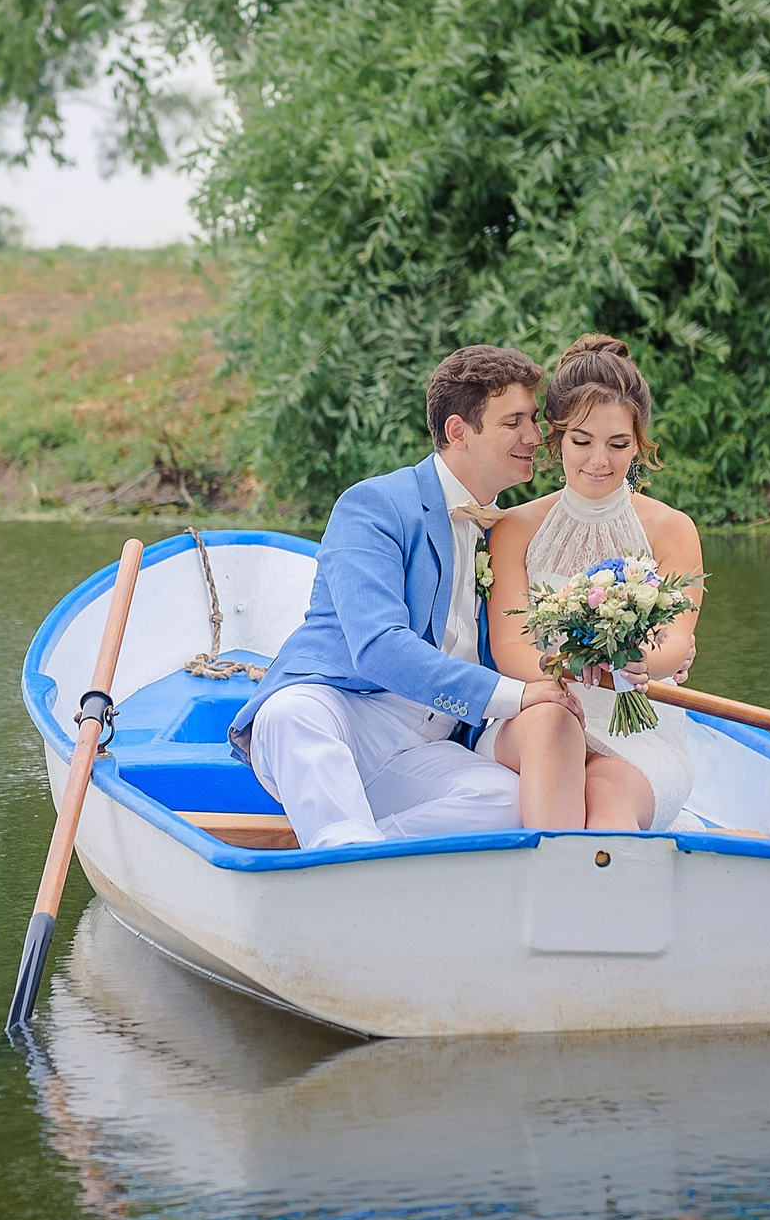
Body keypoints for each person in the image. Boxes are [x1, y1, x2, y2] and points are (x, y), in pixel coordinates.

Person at [229, 347, 587, 849]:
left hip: (431, 741)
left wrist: (633, 652)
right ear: (459, 431)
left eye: (532, 418)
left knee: (510, 802)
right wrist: (514, 697)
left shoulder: (509, 533)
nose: (534, 436)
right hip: (345, 709)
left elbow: (532, 635)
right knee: (292, 713)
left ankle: (364, 850)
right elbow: (378, 647)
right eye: (514, 422)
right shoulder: (373, 504)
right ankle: (345, 848)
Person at [481, 335, 704, 831]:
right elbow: (510, 648)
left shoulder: (672, 529)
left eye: (618, 444)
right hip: (538, 711)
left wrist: (634, 661)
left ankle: (589, 886)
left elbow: (676, 641)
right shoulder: (514, 529)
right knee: (551, 722)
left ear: (639, 442)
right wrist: (571, 670)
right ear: (556, 438)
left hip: (638, 727)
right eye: (582, 441)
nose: (599, 460)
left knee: (607, 802)